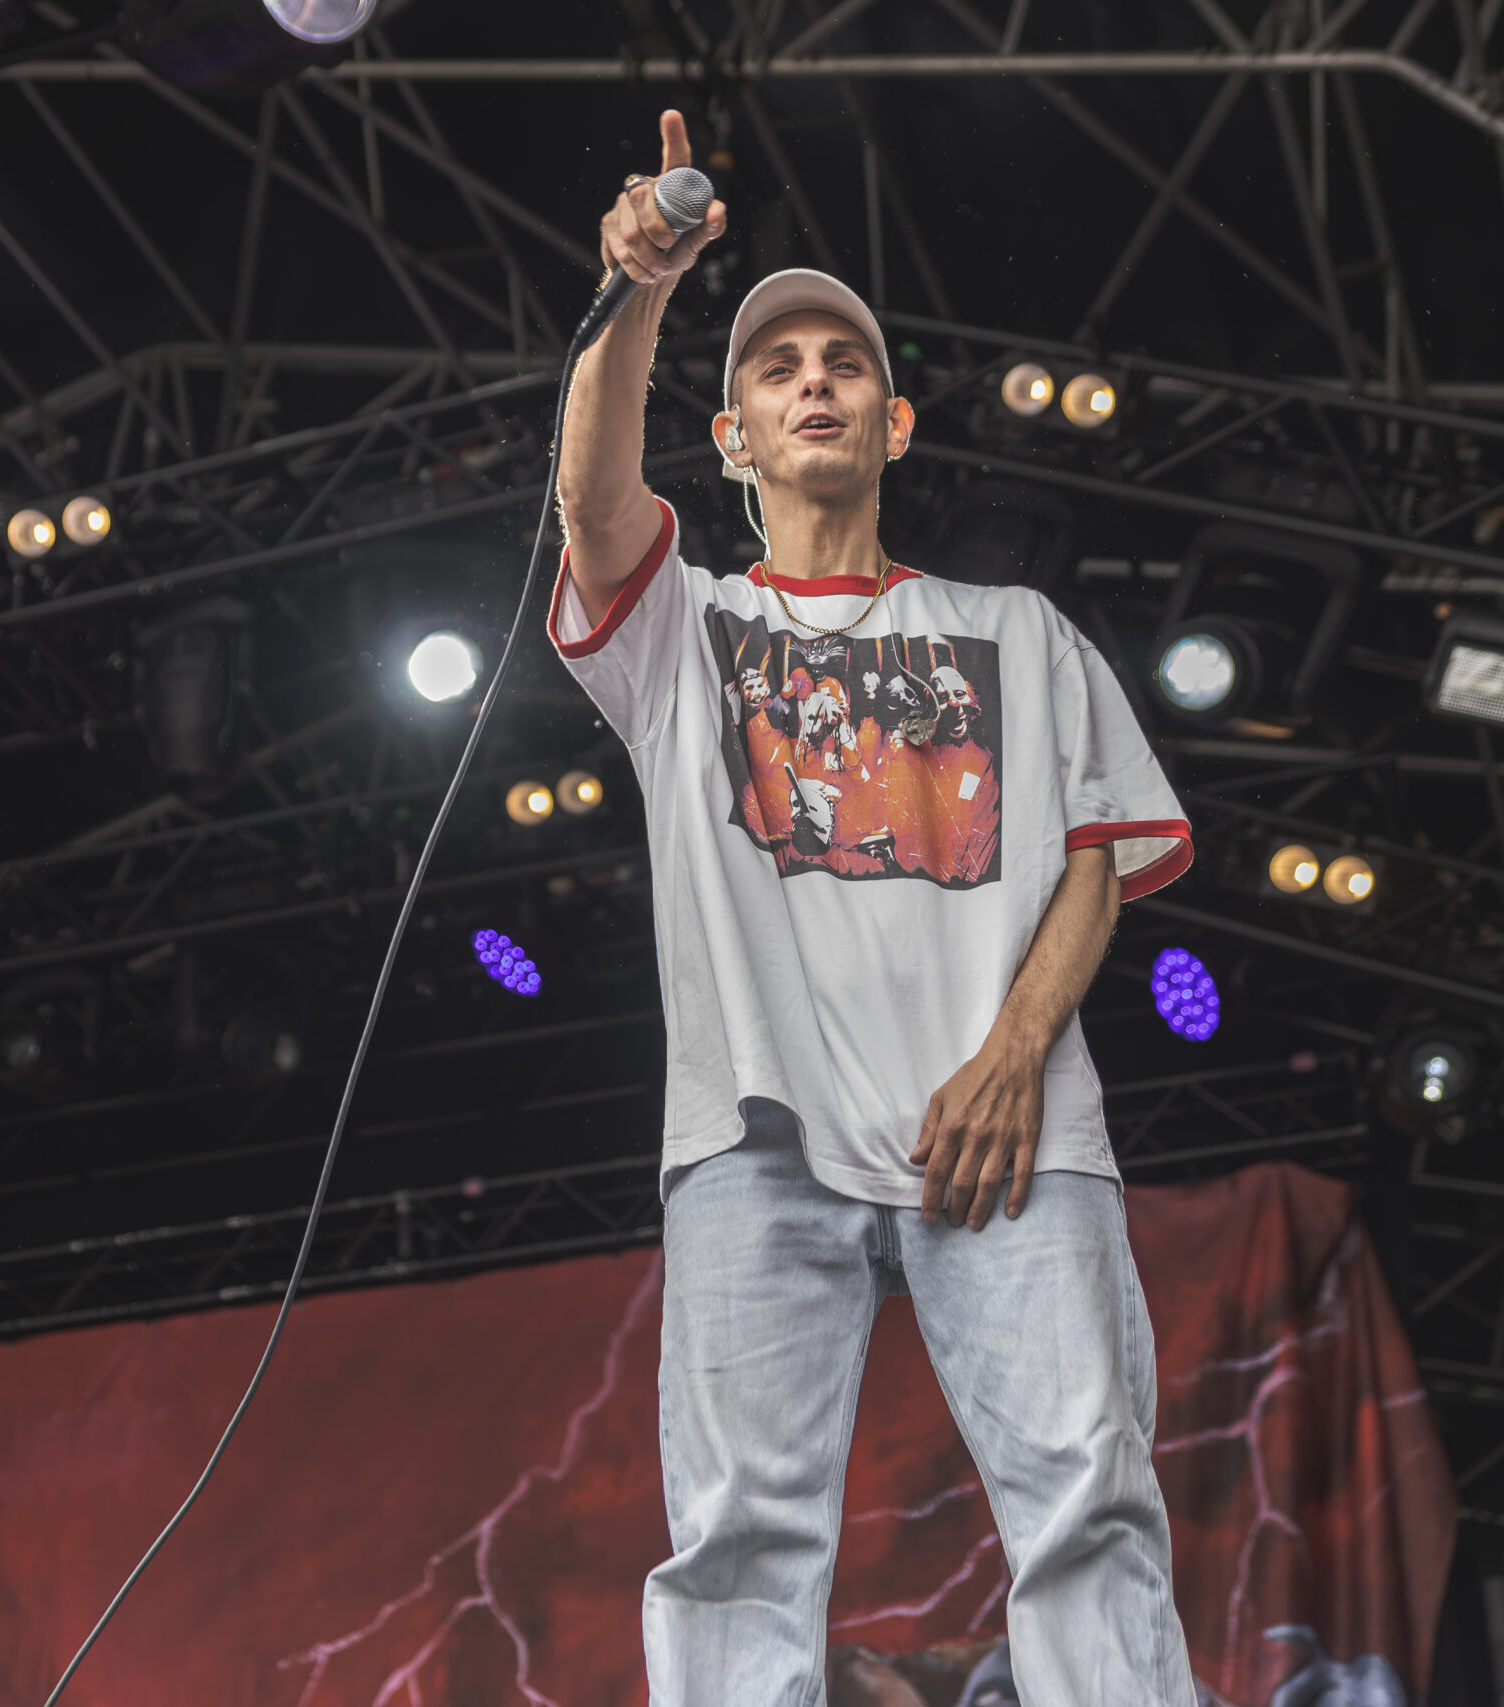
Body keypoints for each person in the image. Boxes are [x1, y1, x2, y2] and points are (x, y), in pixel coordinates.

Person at [552, 110, 1198, 1706]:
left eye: (844, 363)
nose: (816, 383)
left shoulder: (1018, 629)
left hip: (1006, 1124)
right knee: (737, 1538)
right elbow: (591, 499)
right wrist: (639, 289)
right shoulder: (687, 632)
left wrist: (1014, 1053)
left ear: (897, 422)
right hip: (754, 1127)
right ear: (735, 437)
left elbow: (1095, 856)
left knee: (1088, 1500)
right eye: (779, 370)